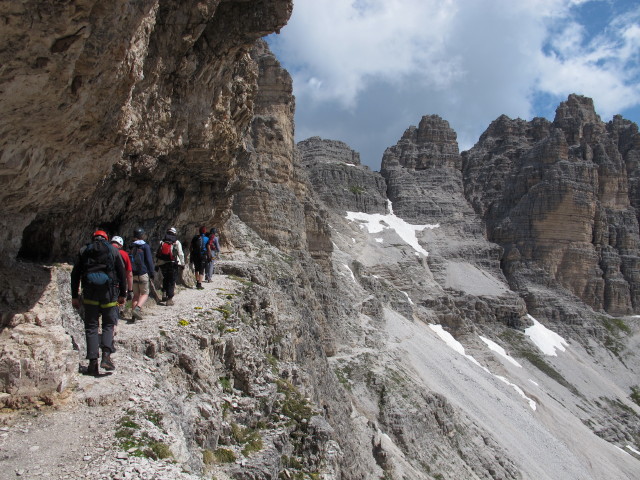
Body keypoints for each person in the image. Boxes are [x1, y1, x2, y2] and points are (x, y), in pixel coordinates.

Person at [71, 230, 126, 376]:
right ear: (106, 239)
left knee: (91, 326)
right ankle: (106, 355)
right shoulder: (113, 251)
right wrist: (123, 294)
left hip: (89, 293)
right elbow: (122, 273)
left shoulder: (84, 251)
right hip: (109, 293)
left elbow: (75, 274)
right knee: (108, 324)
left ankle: (92, 363)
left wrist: (74, 296)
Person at [128, 227, 154, 321]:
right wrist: (152, 273)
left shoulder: (131, 246)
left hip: (133, 273)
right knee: (145, 293)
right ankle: (137, 309)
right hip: (143, 273)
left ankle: (133, 317)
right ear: (142, 235)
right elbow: (149, 260)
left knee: (136, 295)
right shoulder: (145, 246)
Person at [155, 227, 185, 306]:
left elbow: (158, 254)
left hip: (162, 264)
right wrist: (182, 263)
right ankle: (169, 299)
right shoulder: (176, 242)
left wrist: (157, 264)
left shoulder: (162, 242)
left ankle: (164, 292)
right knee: (172, 280)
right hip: (173, 264)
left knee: (166, 278)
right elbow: (181, 254)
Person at [110, 235, 133, 319]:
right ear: (120, 245)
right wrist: (130, 290)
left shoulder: (105, 251)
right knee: (116, 302)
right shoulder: (124, 254)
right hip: (118, 283)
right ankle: (116, 317)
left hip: (104, 281)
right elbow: (129, 273)